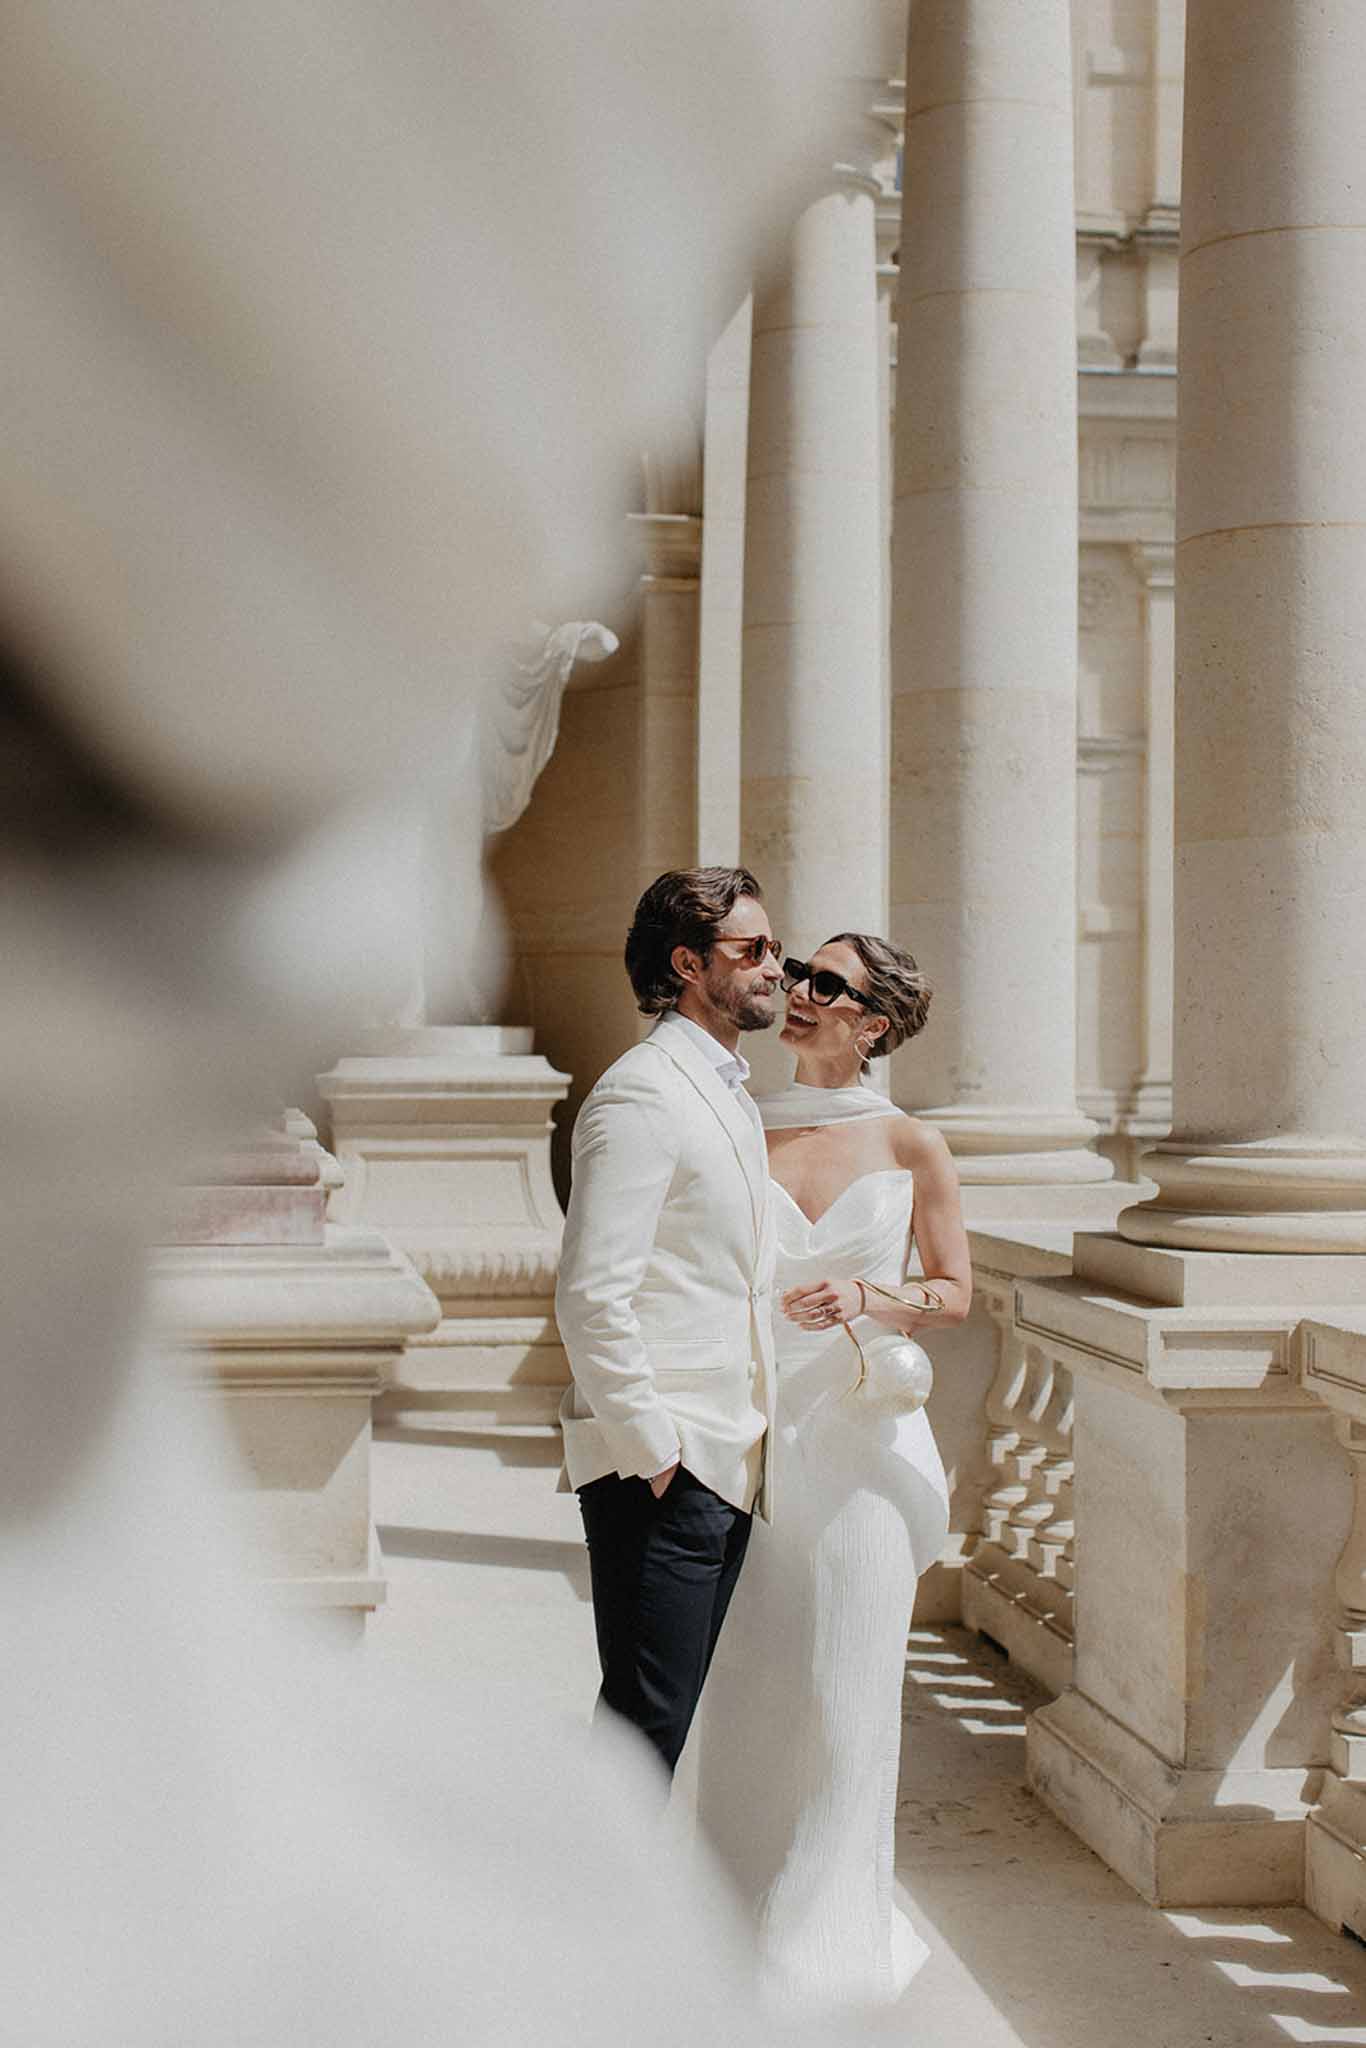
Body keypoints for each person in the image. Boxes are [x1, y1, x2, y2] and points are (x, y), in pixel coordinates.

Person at [694, 931, 973, 2014]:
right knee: (750, 1688)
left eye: (827, 984)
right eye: (796, 973)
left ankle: (823, 1950)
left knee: (850, 1697)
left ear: (874, 1023)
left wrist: (869, 1296)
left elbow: (953, 1292)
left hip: (862, 1434)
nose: (797, 992)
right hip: (752, 1433)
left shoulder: (911, 1142)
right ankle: (726, 1920)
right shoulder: (731, 1124)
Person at [555, 867, 782, 1776]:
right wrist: (655, 1451)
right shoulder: (641, 1094)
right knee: (643, 1732)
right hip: (667, 1466)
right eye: (753, 950)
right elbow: (590, 1292)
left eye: (776, 947)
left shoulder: (726, 1087)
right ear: (689, 963)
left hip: (726, 1454)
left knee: (661, 1725)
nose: (777, 968)